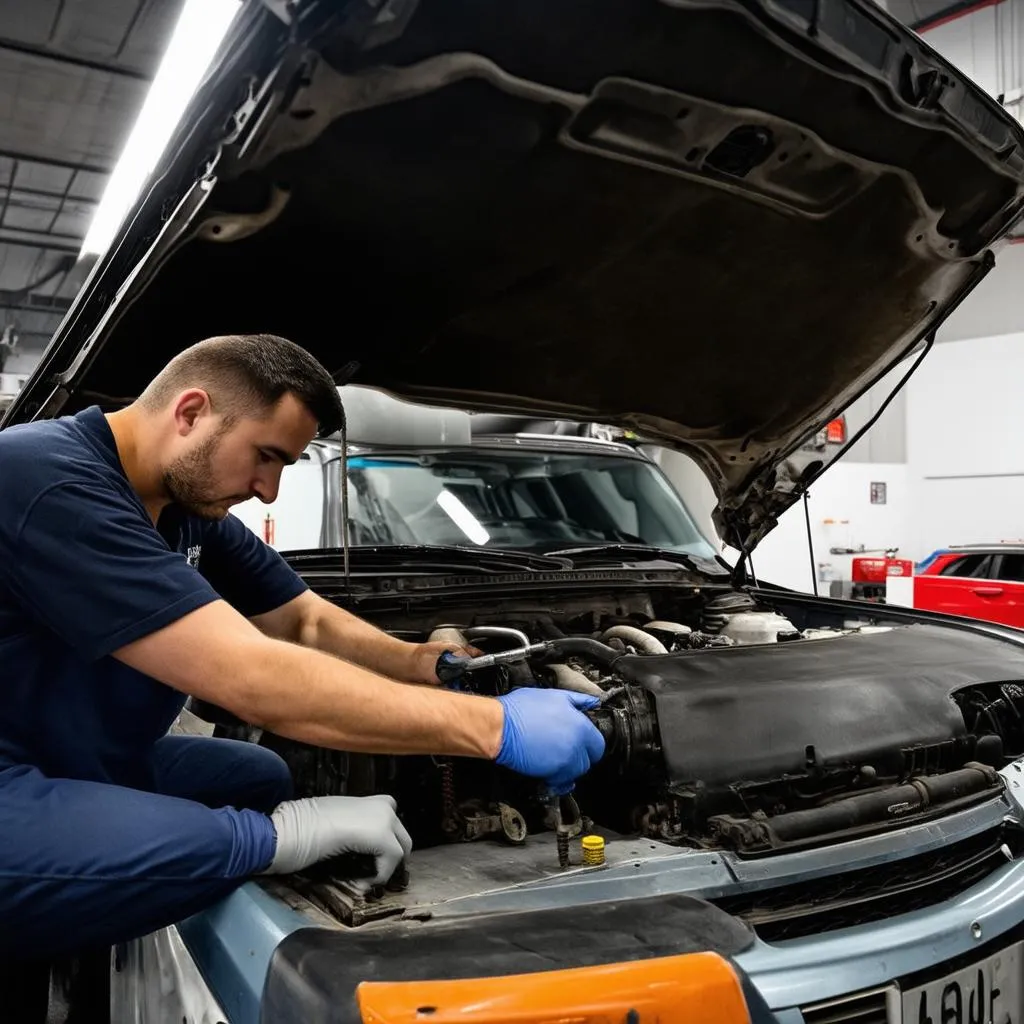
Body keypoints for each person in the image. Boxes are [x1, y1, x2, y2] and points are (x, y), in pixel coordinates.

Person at [0, 333, 605, 962]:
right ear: (190, 413)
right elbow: (249, 675)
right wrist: (492, 728)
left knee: (255, 776)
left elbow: (304, 620)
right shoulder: (46, 479)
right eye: (265, 456)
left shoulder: (180, 508)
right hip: (10, 775)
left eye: (285, 465)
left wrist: (422, 664)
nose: (268, 491)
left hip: (67, 754)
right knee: (237, 839)